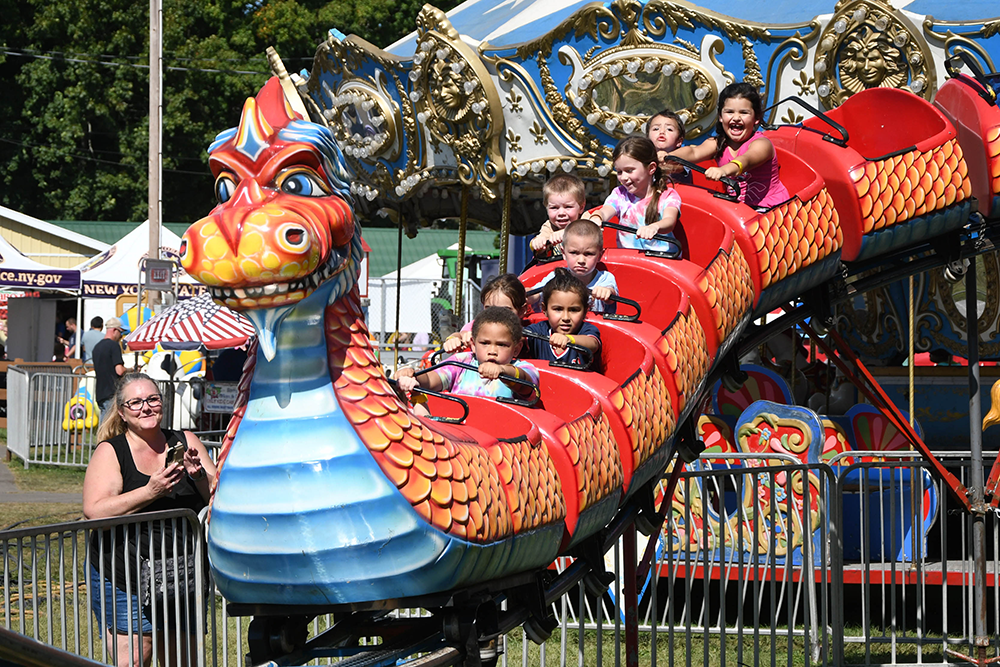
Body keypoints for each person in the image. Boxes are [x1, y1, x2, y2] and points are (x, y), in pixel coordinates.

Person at [83, 372, 217, 667]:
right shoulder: (111, 451)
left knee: (183, 659)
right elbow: (95, 510)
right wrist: (150, 491)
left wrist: (197, 476)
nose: (146, 407)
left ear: (162, 403)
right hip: (124, 572)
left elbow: (216, 498)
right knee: (136, 655)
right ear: (122, 412)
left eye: (153, 399)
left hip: (182, 573)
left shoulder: (185, 440)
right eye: (136, 402)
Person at [667, 82, 790, 208]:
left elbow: (746, 160)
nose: (736, 118)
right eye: (729, 112)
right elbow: (694, 152)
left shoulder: (761, 144)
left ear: (756, 118)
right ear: (720, 116)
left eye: (744, 113)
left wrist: (723, 170)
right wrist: (667, 157)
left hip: (771, 209)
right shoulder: (718, 143)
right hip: (738, 210)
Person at [395, 306, 539, 403]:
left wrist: (503, 371)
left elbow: (528, 385)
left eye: (501, 345)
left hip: (502, 437)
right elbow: (433, 379)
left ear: (516, 349)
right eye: (485, 343)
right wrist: (413, 375)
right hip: (460, 433)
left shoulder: (522, 368)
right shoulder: (462, 362)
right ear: (473, 344)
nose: (492, 350)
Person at [587, 136, 681, 253]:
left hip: (662, 258)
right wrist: (597, 217)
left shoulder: (668, 195)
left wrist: (654, 227)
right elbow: (605, 210)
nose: (624, 178)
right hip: (630, 258)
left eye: (629, 170)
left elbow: (669, 221)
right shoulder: (619, 194)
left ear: (651, 168)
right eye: (620, 172)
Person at [529, 220, 618, 314]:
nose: (581, 260)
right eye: (574, 253)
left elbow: (611, 294)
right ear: (563, 253)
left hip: (595, 328)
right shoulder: (557, 277)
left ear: (599, 255)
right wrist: (527, 295)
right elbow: (535, 293)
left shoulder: (605, 279)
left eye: (588, 254)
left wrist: (606, 292)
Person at [522, 268, 601, 371]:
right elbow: (516, 339)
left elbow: (592, 344)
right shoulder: (538, 330)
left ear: (585, 311)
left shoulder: (586, 330)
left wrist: (569, 339)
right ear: (544, 309)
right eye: (558, 309)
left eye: (574, 310)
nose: (566, 318)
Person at [443, 273, 527, 353]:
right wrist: (453, 339)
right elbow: (462, 334)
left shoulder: (530, 330)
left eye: (505, 310)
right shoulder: (480, 325)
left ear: (522, 310)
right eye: (489, 309)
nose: (496, 316)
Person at [529, 174, 587, 255]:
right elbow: (541, 237)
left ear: (581, 208)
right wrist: (538, 243)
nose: (561, 213)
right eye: (554, 208)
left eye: (568, 207)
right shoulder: (549, 226)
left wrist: (566, 233)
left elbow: (590, 229)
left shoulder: (586, 219)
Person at [647, 109, 692, 185]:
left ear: (679, 141)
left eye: (669, 129)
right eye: (656, 129)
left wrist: (666, 160)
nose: (662, 132)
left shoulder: (682, 158)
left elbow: (680, 169)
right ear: (648, 137)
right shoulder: (643, 158)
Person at [93, 317, 128, 414]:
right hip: (111, 392)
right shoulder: (114, 345)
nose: (121, 336)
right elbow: (119, 370)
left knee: (104, 425)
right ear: (114, 330)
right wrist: (131, 370)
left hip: (100, 393)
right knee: (110, 426)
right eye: (121, 332)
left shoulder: (97, 347)